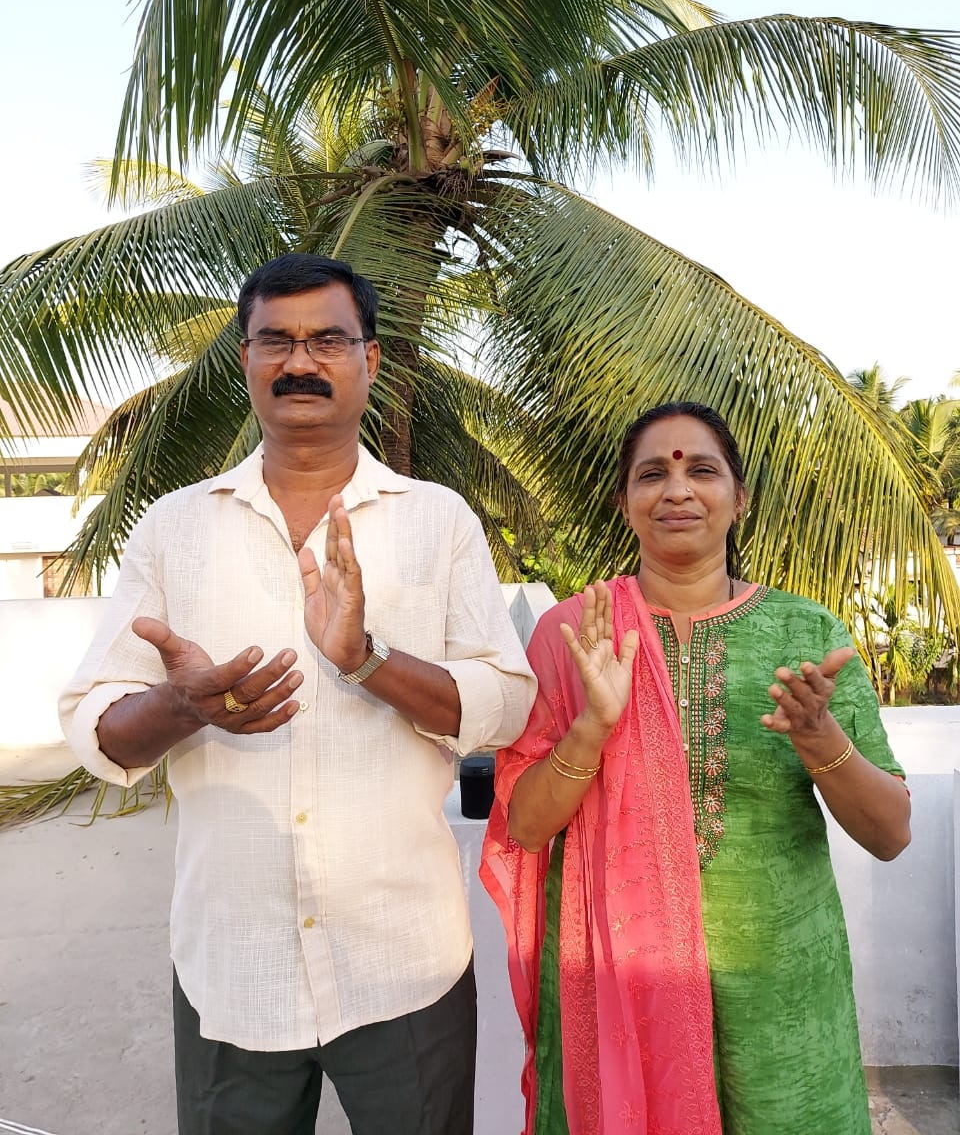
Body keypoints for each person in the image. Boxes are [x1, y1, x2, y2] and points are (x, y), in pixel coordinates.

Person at [60, 252, 536, 1135]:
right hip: (232, 964)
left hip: (404, 961)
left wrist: (368, 661)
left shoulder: (438, 520)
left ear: (371, 359)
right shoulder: (174, 527)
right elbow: (97, 727)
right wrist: (182, 707)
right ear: (246, 359)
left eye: (327, 340)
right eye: (275, 341)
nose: (300, 362)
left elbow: (505, 705)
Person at [480, 400, 910, 1135]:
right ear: (624, 503)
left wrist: (818, 737)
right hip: (618, 991)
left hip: (780, 997)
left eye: (702, 471)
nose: (677, 490)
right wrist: (591, 728)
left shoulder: (806, 632)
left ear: (739, 500)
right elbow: (524, 827)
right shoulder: (574, 635)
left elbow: (890, 833)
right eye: (652, 474)